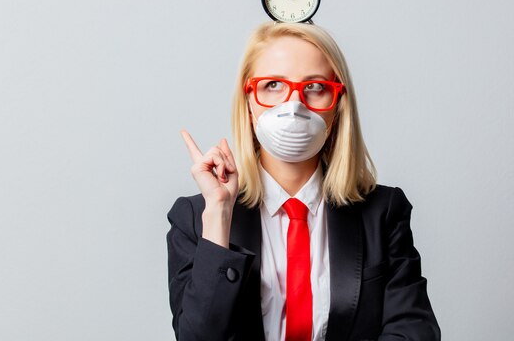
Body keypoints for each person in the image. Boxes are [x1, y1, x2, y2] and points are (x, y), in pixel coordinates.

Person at [167, 22, 441, 341]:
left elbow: (414, 330)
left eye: (315, 87)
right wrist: (218, 216)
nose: (293, 106)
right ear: (248, 102)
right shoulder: (195, 218)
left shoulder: (383, 213)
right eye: (273, 85)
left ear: (337, 106)